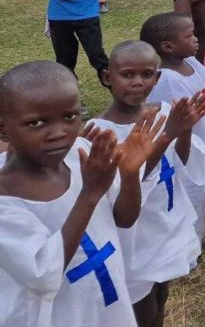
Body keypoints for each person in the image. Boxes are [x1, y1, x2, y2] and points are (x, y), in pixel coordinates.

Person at [0, 61, 157, 326]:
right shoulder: (6, 199)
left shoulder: (82, 154)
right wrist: (90, 193)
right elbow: (45, 273)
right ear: (3, 128)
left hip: (107, 307)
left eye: (70, 117)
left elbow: (124, 219)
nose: (59, 133)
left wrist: (129, 175)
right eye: (36, 123)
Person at [90, 41, 205, 327]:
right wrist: (167, 135)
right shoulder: (100, 133)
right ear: (108, 77)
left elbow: (177, 164)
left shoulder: (164, 111)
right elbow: (126, 186)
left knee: (161, 294)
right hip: (134, 236)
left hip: (163, 222)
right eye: (128, 75)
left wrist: (184, 130)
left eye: (146, 75)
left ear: (157, 78)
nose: (137, 82)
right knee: (141, 306)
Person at [142, 12, 205, 237]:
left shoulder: (189, 62)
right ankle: (196, 237)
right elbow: (179, 111)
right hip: (191, 140)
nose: (197, 39)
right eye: (189, 36)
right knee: (196, 184)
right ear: (167, 46)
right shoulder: (166, 79)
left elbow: (203, 86)